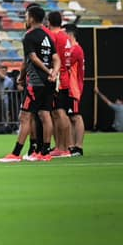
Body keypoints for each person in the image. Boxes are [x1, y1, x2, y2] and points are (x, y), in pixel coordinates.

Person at [0, 5, 59, 163]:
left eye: (26, 16)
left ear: (31, 18)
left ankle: (16, 153)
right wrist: (53, 72)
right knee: (45, 114)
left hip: (36, 81)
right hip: (49, 81)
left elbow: (31, 58)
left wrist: (23, 76)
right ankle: (44, 153)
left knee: (25, 116)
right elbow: (56, 58)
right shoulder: (48, 36)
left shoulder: (29, 36)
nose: (25, 19)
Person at [46, 10, 72, 156]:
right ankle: (63, 147)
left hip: (58, 79)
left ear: (49, 21)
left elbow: (53, 58)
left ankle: (63, 148)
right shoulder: (64, 36)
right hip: (65, 77)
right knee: (59, 113)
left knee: (59, 113)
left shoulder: (53, 36)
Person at [65, 24, 86, 155]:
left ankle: (78, 146)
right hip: (71, 87)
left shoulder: (75, 49)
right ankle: (72, 146)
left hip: (74, 88)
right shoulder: (74, 49)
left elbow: (66, 64)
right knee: (71, 117)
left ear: (70, 34)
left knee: (76, 116)